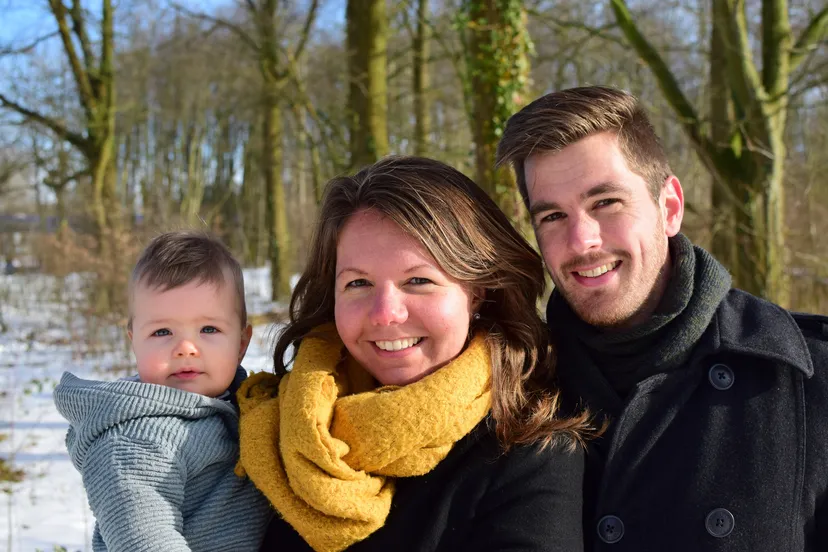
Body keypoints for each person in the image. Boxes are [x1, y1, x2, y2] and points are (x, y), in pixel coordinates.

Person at [495, 85, 828, 551]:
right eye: (552, 216)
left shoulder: (808, 379)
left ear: (669, 207)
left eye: (605, 202)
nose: (582, 239)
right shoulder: (514, 391)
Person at [235, 156, 594, 552]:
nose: (385, 314)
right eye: (357, 283)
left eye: (418, 280)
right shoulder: (273, 426)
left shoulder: (532, 453)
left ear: (478, 290)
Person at [54, 231, 272, 551]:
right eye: (162, 331)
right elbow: (145, 540)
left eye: (208, 329)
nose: (185, 347)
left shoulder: (252, 405)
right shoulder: (133, 441)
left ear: (241, 343)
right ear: (134, 343)